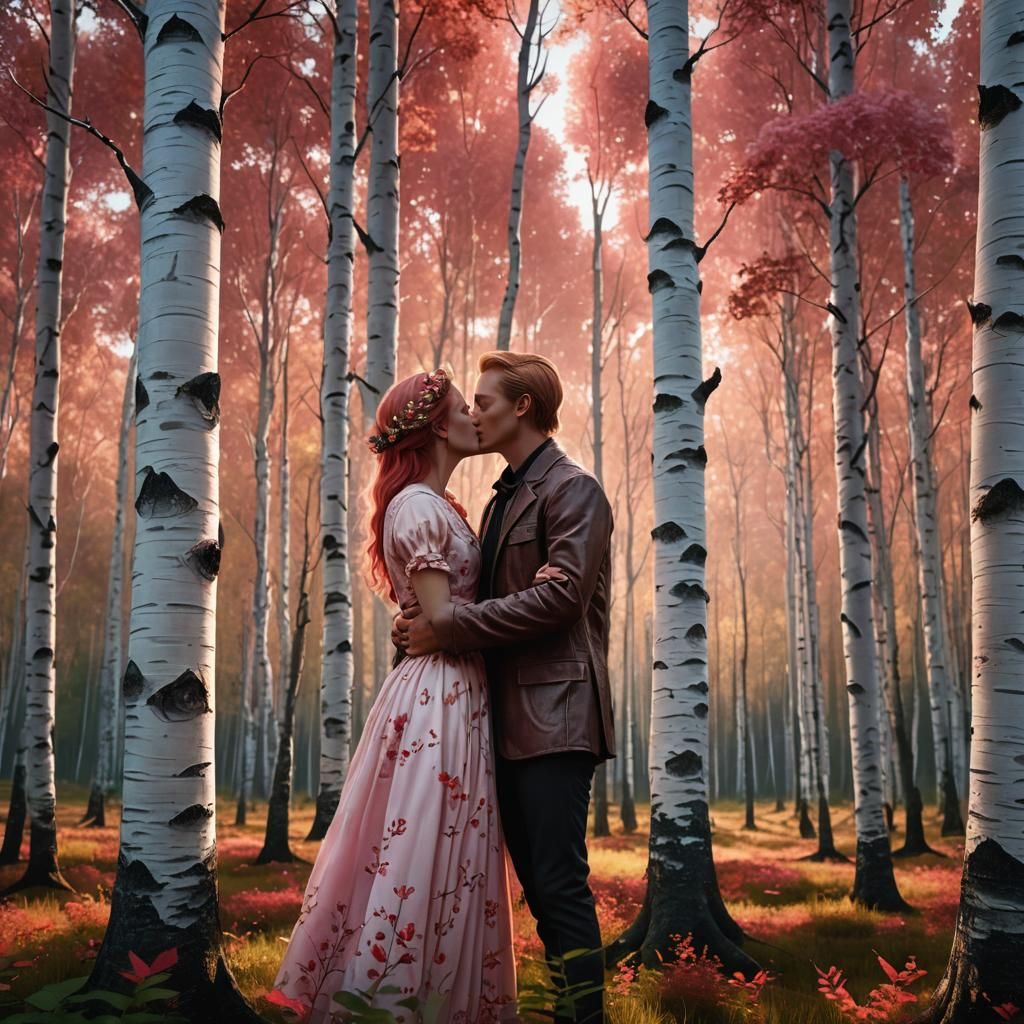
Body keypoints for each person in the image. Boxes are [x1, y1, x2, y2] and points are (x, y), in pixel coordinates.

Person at [270, 369, 520, 1024]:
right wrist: (436, 631)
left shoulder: (438, 507)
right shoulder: (417, 507)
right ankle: (392, 1003)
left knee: (446, 850)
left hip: (455, 693)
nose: (475, 417)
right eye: (465, 408)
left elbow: (436, 620)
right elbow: (438, 623)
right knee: (420, 850)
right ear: (440, 426)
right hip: (438, 703)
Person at [396, 351, 615, 1024]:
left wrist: (452, 628)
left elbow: (561, 599)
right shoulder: (504, 497)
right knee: (540, 892)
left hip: (556, 716)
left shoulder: (571, 489)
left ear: (522, 408)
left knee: (558, 885)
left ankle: (586, 1017)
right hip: (507, 719)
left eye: (484, 402)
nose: (474, 414)